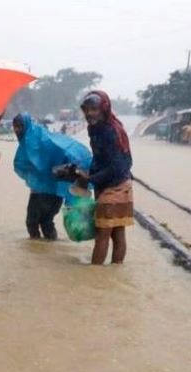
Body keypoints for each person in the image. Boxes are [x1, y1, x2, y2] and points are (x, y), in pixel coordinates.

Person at [12, 113, 92, 240]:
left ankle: (35, 253)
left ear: (26, 125)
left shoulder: (32, 140)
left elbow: (34, 163)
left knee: (32, 223)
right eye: (15, 126)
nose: (17, 130)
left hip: (41, 192)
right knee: (47, 222)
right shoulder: (42, 136)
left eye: (19, 126)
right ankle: (48, 252)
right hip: (56, 191)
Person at [77, 91, 134, 265]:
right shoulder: (94, 129)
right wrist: (85, 173)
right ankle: (114, 272)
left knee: (103, 234)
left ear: (104, 109)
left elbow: (118, 166)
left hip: (116, 185)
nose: (89, 114)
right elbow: (99, 157)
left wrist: (91, 179)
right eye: (86, 110)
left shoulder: (111, 131)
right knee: (116, 231)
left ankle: (95, 276)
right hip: (108, 184)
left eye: (94, 109)